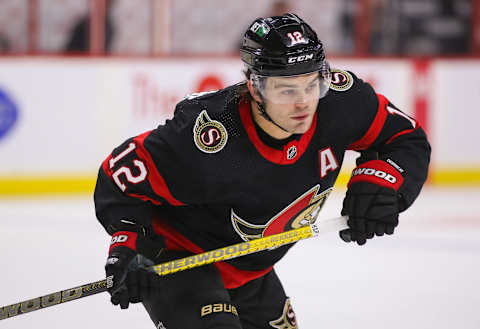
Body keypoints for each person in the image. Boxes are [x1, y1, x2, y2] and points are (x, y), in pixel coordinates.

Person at [94, 13, 431, 328]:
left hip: (251, 269)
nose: (303, 103)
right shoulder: (208, 136)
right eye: (286, 90)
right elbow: (118, 176)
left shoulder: (342, 102)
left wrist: (385, 180)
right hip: (181, 261)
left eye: (311, 85)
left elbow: (405, 138)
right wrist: (129, 244)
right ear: (255, 88)